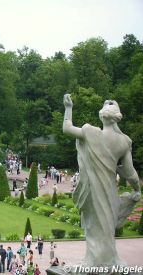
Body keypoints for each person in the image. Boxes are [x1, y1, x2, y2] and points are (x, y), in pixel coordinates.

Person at [63, 95, 141, 266]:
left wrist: (68, 107)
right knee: (105, 228)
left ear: (102, 117)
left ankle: (96, 262)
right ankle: (105, 261)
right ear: (116, 118)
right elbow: (130, 172)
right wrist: (137, 189)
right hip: (109, 190)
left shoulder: (91, 132)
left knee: (94, 228)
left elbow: (67, 129)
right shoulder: (124, 141)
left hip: (92, 189)